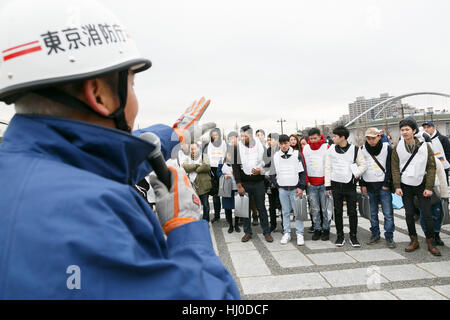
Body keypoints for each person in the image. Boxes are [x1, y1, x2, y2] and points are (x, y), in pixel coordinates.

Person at [0, 0, 240, 299]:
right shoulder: (93, 213)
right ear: (99, 94)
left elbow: (88, 155)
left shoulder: (22, 166)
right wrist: (185, 227)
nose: (135, 100)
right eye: (133, 84)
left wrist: (171, 134)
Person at [391, 118, 441, 256]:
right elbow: (395, 168)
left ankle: (430, 241)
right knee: (408, 214)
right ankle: (413, 240)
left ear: (414, 131)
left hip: (422, 183)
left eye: (407, 129)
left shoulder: (425, 146)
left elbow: (431, 167)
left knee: (427, 214)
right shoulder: (398, 147)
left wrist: (429, 187)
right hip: (405, 184)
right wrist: (397, 186)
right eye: (402, 130)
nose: (404, 132)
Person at [325, 126, 368, 247]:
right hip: (335, 184)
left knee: (352, 212)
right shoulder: (330, 150)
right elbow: (327, 168)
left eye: (335, 136)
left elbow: (363, 165)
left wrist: (355, 173)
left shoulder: (355, 149)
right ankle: (340, 236)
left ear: (342, 137)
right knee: (337, 211)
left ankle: (353, 236)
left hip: (350, 185)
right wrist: (327, 186)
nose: (333, 138)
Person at [232, 125, 273, 243]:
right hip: (244, 183)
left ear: (251, 135)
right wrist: (239, 185)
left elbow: (268, 163)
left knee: (261, 208)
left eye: (245, 135)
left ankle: (267, 232)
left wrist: (261, 170)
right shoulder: (237, 148)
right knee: (246, 209)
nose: (242, 137)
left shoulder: (261, 146)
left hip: (258, 182)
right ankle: (247, 232)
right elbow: (235, 168)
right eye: (241, 135)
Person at [359, 128, 396, 248]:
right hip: (369, 184)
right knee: (372, 212)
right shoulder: (362, 149)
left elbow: (391, 167)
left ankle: (389, 235)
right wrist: (362, 185)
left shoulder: (387, 148)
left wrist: (387, 183)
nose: (371, 141)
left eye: (373, 138)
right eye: (368, 138)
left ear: (379, 136)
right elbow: (360, 167)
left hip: (383, 184)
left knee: (388, 212)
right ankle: (375, 233)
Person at [270, 135, 307, 245]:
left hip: (295, 188)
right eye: (281, 144)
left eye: (285, 143)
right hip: (283, 189)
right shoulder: (276, 156)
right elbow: (272, 172)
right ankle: (287, 233)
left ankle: (300, 234)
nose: (284, 146)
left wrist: (301, 186)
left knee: (297, 212)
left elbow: (302, 172)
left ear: (289, 143)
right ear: (279, 144)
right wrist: (277, 185)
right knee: (285, 212)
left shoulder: (296, 154)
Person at [302, 128, 330, 241]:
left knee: (325, 209)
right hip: (311, 185)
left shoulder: (326, 147)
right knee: (315, 209)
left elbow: (329, 166)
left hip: (323, 183)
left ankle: (326, 229)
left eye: (315, 138)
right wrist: (307, 180)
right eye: (311, 138)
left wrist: (328, 183)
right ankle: (317, 229)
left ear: (320, 137)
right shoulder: (306, 148)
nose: (313, 141)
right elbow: (304, 166)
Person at [182, 142, 212, 222]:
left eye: (194, 148)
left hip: (203, 185)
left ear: (199, 148)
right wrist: (196, 165)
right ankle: (195, 221)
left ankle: (206, 221)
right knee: (194, 205)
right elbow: (185, 167)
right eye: (191, 149)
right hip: (192, 186)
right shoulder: (188, 157)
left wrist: (195, 169)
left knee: (205, 205)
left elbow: (207, 166)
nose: (193, 151)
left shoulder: (204, 156)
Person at [205, 128, 228, 223]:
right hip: (212, 170)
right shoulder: (209, 144)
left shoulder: (223, 143)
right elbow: (208, 157)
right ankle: (217, 215)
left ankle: (228, 216)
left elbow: (225, 156)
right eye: (213, 135)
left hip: (221, 168)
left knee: (225, 194)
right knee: (215, 195)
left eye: (216, 134)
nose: (215, 136)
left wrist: (221, 168)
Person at [217, 149, 240, 233]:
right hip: (226, 188)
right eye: (229, 155)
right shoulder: (221, 161)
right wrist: (223, 175)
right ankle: (230, 225)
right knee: (227, 208)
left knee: (238, 207)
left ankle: (236, 224)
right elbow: (218, 172)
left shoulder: (238, 162)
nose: (230, 157)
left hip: (236, 187)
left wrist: (236, 173)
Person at [264, 132, 282, 232]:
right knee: (271, 205)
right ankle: (273, 224)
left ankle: (284, 225)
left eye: (272, 140)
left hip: (280, 181)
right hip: (270, 182)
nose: (270, 142)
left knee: (282, 204)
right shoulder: (267, 151)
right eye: (269, 140)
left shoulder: (281, 150)